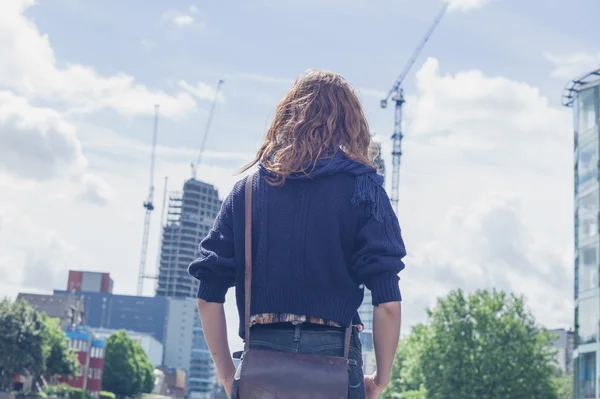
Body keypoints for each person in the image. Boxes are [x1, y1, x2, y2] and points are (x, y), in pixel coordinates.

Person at [189, 69, 406, 399]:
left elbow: (207, 297)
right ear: (350, 122)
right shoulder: (364, 190)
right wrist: (381, 379)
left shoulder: (246, 192)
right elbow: (387, 303)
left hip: (260, 365)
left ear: (287, 115)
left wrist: (229, 377)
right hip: (337, 362)